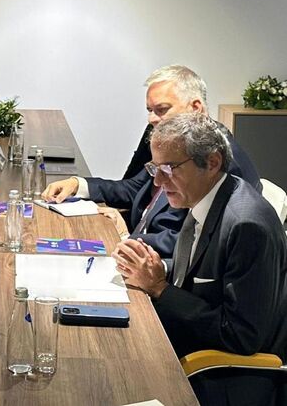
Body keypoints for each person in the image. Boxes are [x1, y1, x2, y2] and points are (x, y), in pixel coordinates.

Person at [112, 113, 287, 405]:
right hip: (188, 344)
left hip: (225, 377)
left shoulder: (246, 225)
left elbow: (241, 336)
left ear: (212, 162)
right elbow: (199, 272)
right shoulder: (205, 197)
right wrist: (157, 267)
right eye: (154, 168)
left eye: (169, 168)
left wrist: (160, 288)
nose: (158, 181)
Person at [42, 65, 260, 258]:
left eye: (162, 109)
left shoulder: (220, 162)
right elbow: (134, 188)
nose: (152, 119)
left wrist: (127, 238)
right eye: (149, 110)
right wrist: (78, 184)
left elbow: (200, 241)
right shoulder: (166, 140)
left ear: (195, 108)